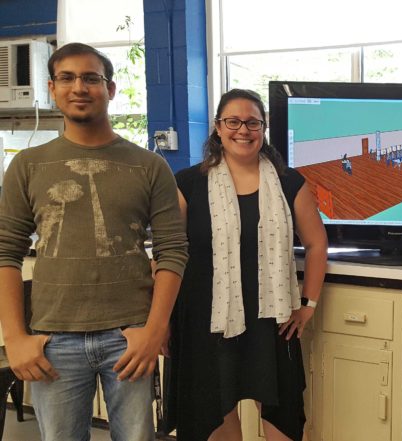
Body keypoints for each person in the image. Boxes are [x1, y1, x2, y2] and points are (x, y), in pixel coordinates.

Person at [0, 42, 188, 440]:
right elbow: (6, 252)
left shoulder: (149, 166)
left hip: (129, 338)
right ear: (52, 88)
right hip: (53, 339)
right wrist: (15, 338)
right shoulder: (28, 165)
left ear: (111, 89)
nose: (79, 87)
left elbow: (173, 251)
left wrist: (155, 330)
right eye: (66, 78)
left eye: (91, 78)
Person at [164, 89, 328, 441]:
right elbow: (167, 254)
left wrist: (308, 305)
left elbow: (316, 244)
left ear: (264, 128)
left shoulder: (289, 182)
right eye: (233, 121)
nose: (244, 130)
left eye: (253, 122)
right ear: (218, 128)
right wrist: (159, 320)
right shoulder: (188, 184)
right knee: (217, 417)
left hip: (272, 320)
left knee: (282, 420)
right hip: (207, 323)